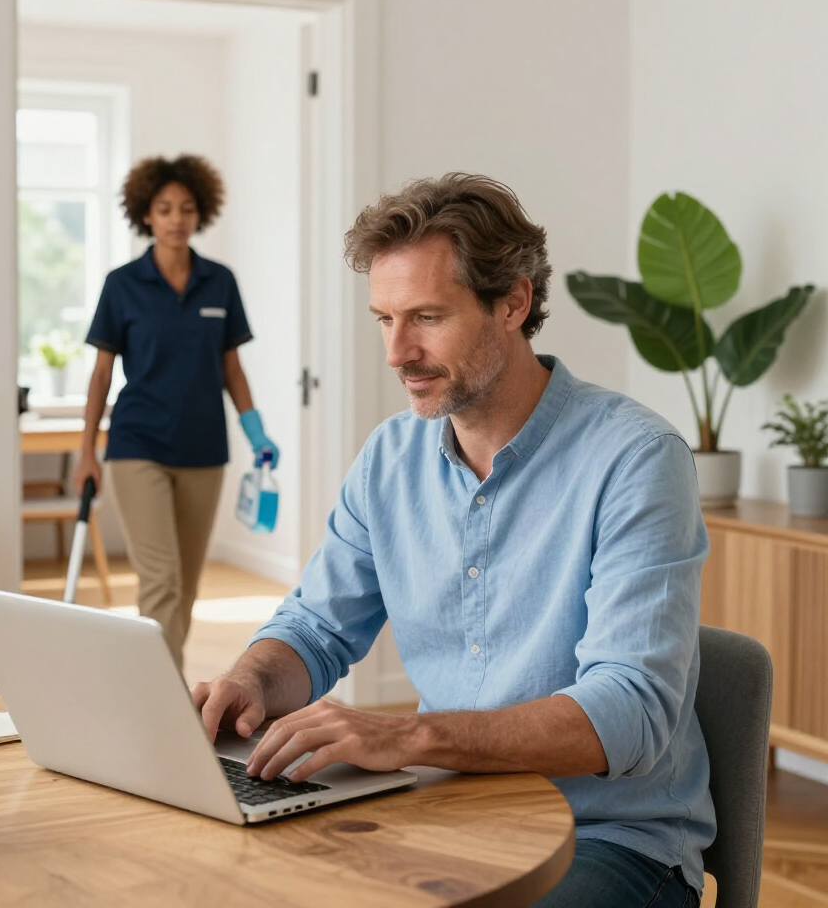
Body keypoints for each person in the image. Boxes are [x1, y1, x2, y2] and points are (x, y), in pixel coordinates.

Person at [192, 173, 713, 908]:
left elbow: (629, 712)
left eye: (427, 317)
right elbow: (313, 629)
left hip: (607, 840)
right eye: (384, 319)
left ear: (514, 302)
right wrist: (249, 680)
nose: (397, 352)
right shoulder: (390, 457)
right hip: (445, 811)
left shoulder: (636, 459)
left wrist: (407, 739)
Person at [74, 154, 278, 668]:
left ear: (200, 213)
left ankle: (159, 689)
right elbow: (101, 375)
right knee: (161, 580)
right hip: (137, 445)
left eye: (186, 208)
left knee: (184, 588)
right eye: (164, 208)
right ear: (146, 214)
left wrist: (257, 435)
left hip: (204, 448)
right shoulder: (122, 284)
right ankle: (159, 702)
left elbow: (232, 368)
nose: (176, 219)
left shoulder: (220, 282)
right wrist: (85, 452)